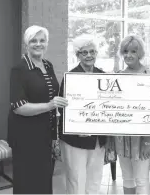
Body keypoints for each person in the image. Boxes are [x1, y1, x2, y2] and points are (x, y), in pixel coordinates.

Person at [7, 25, 68, 194]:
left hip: (45, 133)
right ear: (27, 43)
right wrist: (49, 105)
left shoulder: (48, 65)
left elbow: (54, 93)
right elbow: (18, 107)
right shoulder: (19, 69)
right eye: (33, 40)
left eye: (42, 40)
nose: (38, 44)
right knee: (27, 182)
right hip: (25, 135)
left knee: (44, 179)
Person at [108, 35, 150, 195]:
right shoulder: (118, 75)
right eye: (126, 51)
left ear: (140, 53)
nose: (129, 55)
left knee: (141, 180)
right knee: (127, 178)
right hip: (122, 136)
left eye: (133, 51)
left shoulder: (149, 73)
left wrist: (149, 140)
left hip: (143, 137)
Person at [58, 37, 107, 194]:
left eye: (92, 51)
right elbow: (62, 109)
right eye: (84, 52)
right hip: (75, 139)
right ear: (77, 55)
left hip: (98, 140)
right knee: (76, 179)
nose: (88, 55)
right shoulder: (70, 77)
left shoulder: (103, 76)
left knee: (95, 179)